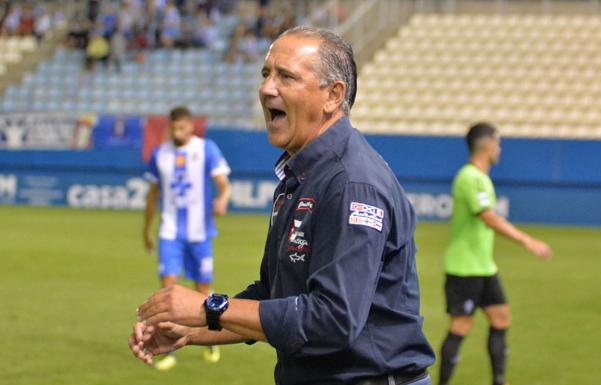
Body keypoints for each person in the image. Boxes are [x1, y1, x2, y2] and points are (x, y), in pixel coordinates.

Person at [129, 26, 435, 385]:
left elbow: (332, 320)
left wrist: (206, 306)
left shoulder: (351, 184)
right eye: (265, 74)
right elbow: (275, 296)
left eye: (285, 76)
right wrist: (192, 328)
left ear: (333, 95)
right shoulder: (301, 176)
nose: (266, 88)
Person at [438, 122, 553, 385]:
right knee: (462, 325)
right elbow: (489, 218)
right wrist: (527, 241)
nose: (500, 149)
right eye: (498, 143)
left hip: (483, 266)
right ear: (488, 143)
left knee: (501, 316)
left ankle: (499, 381)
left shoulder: (481, 177)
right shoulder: (469, 177)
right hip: (464, 267)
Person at [142, 106, 232, 370]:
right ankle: (167, 349)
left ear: (191, 126)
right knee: (168, 291)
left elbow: (223, 183)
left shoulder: (206, 149)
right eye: (174, 128)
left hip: (199, 232)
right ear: (169, 127)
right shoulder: (160, 154)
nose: (178, 132)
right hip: (169, 232)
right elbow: (152, 195)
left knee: (202, 289)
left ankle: (211, 337)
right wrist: (146, 229)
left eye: (182, 128)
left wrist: (223, 198)